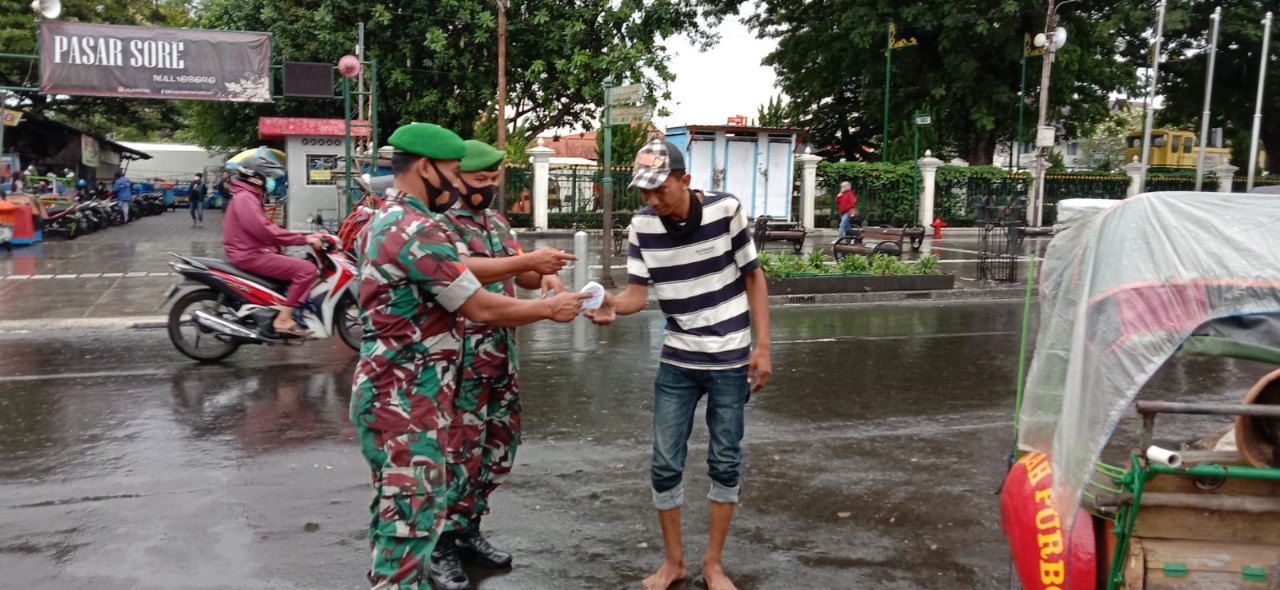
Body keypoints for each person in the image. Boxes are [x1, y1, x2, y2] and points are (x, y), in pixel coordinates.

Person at [350, 122, 588, 590]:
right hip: (403, 400)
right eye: (454, 172)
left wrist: (539, 284)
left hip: (412, 396)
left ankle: (460, 536)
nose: (459, 183)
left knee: (408, 522)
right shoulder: (411, 227)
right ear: (426, 168)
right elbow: (477, 304)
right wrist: (547, 308)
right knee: (407, 533)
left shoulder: (401, 219)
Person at [586, 139, 772, 590]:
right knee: (664, 463)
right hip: (678, 362)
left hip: (730, 360)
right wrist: (611, 303)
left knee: (725, 461)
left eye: (660, 189)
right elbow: (637, 294)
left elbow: (754, 276)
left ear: (685, 180)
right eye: (644, 192)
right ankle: (675, 563)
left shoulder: (726, 211)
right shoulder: (642, 227)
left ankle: (713, 564)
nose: (652, 200)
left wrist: (763, 346)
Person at [426, 140, 572, 590]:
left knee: (497, 447)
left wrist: (543, 272)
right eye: (480, 181)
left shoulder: (495, 220)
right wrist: (525, 260)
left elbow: (517, 273)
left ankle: (469, 529)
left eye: (494, 181)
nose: (489, 188)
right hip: (461, 362)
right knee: (458, 454)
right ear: (458, 179)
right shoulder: (438, 224)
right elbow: (463, 270)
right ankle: (440, 545)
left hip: (499, 358)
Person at [221, 149, 326, 337]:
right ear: (255, 177)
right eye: (267, 176)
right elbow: (265, 231)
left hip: (252, 251)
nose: (271, 181)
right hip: (250, 255)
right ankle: (284, 319)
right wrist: (304, 239)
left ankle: (282, 310)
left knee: (300, 262)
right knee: (306, 270)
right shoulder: (246, 198)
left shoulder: (249, 196)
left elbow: (264, 231)